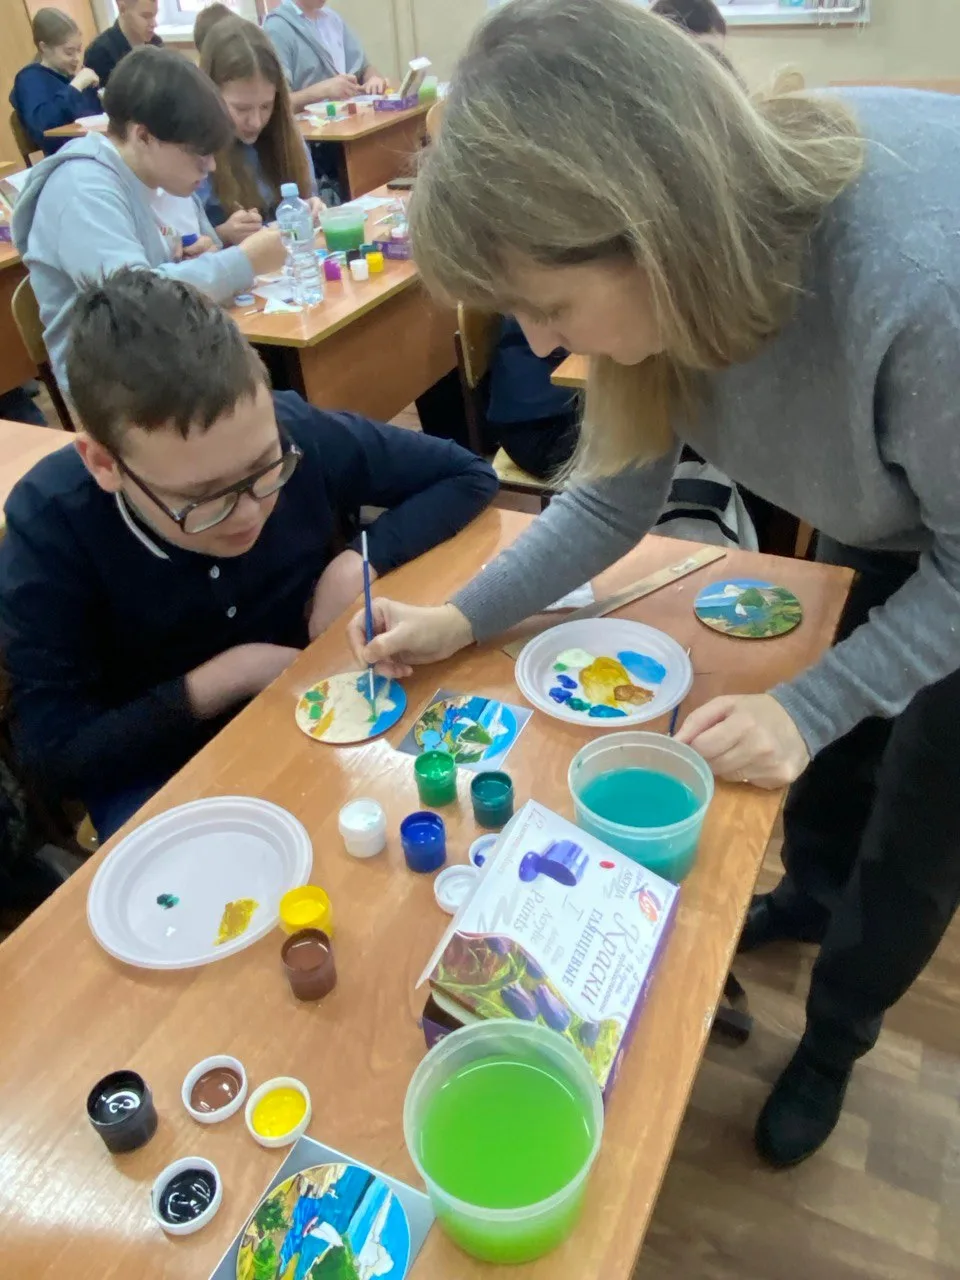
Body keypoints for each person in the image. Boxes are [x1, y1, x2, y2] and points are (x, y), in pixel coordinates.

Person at [349, 0, 960, 1170]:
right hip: (903, 483)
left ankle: (838, 1031)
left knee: (923, 814)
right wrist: (466, 614)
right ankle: (811, 894)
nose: (537, 345)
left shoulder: (916, 291)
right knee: (828, 751)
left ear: (648, 232)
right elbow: (609, 499)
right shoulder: (674, 273)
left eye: (549, 306)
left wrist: (813, 705)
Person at [0, 270, 498, 842]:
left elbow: (467, 475)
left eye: (266, 468)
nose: (249, 514)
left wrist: (360, 556)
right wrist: (225, 679)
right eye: (201, 498)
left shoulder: (292, 429)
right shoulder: (51, 526)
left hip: (321, 698)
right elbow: (54, 759)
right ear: (104, 464)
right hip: (159, 766)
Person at [12, 46, 284, 390]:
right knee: (281, 398)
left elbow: (171, 270)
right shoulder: (81, 189)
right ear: (143, 136)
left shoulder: (160, 178)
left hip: (176, 358)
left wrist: (199, 256)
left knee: (289, 396)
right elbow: (136, 304)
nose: (211, 166)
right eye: (200, 154)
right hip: (119, 390)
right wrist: (243, 261)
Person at [199, 17, 322, 243]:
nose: (256, 122)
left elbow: (306, 195)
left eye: (266, 106)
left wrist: (312, 207)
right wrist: (221, 235)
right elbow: (181, 246)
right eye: (241, 108)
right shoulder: (194, 153)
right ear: (211, 95)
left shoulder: (285, 136)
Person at [10, 8, 102, 158]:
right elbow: (43, 128)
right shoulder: (29, 79)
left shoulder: (73, 74)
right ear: (44, 48)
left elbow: (96, 119)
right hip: (66, 160)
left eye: (79, 50)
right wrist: (76, 86)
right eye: (69, 52)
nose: (77, 58)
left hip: (95, 152)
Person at [264, 0, 387, 110]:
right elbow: (275, 104)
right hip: (312, 127)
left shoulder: (332, 18)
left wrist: (373, 79)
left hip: (350, 120)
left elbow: (364, 67)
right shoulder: (277, 28)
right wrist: (322, 91)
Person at [84, 0, 162, 87]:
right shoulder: (98, 53)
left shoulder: (156, 43)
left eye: (155, 15)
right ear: (122, 9)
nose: (154, 24)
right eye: (146, 16)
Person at [650, 0, 725, 47]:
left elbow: (720, 34)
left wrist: (699, 39)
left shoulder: (706, 6)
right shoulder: (662, 4)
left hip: (695, 50)